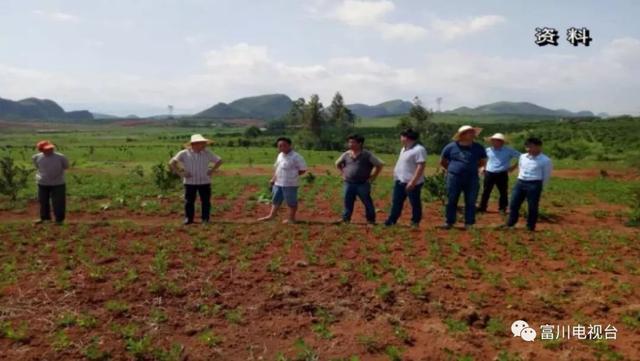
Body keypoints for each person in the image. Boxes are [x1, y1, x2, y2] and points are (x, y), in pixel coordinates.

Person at [440, 125, 487, 229]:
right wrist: (453, 169)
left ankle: (469, 223)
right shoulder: (450, 147)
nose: (472, 134)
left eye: (472, 132)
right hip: (454, 177)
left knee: (471, 201)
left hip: (472, 177)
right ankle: (449, 222)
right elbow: (443, 162)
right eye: (469, 132)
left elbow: (482, 162)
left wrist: (471, 168)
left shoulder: (478, 147)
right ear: (462, 135)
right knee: (451, 199)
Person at [169, 134, 223, 225]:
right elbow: (171, 163)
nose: (205, 145)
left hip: (205, 181)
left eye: (204, 143)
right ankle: (188, 219)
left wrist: (212, 170)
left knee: (205, 202)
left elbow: (220, 160)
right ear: (194, 144)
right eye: (202, 143)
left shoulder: (207, 153)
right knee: (189, 202)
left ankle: (205, 219)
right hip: (190, 182)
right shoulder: (184, 153)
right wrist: (180, 173)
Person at [503, 137, 552, 232]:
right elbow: (521, 168)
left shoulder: (545, 160)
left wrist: (540, 186)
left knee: (532, 206)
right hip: (520, 182)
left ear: (539, 147)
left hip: (534, 184)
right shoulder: (523, 157)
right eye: (527, 147)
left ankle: (530, 226)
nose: (528, 149)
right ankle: (511, 223)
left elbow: (546, 175)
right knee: (513, 204)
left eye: (531, 147)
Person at [335, 134, 384, 224]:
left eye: (353, 142)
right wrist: (342, 174)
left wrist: (373, 177)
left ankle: (371, 220)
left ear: (360, 143)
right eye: (349, 142)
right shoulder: (346, 154)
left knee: (367, 202)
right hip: (348, 183)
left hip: (363, 183)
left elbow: (379, 165)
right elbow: (337, 163)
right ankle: (346, 219)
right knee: (347, 202)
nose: (350, 144)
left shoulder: (367, 154)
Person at [258, 137, 307, 224]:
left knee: (291, 202)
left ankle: (292, 219)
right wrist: (273, 179)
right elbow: (277, 168)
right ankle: (271, 216)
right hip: (278, 183)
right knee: (276, 200)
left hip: (290, 184)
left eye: (284, 145)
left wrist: (292, 176)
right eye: (279, 146)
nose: (282, 147)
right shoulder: (280, 155)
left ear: (290, 145)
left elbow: (303, 169)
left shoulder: (296, 157)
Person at [384, 128, 427, 227]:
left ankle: (415, 221)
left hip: (412, 182)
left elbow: (420, 166)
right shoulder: (404, 148)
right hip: (400, 181)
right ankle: (392, 220)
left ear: (407, 138)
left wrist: (413, 181)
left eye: (402, 136)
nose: (401, 138)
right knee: (396, 202)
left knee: (414, 203)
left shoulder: (419, 149)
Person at [478, 133, 520, 213]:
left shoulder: (508, 150)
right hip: (489, 173)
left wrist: (514, 167)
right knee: (486, 191)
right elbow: (483, 160)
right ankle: (482, 207)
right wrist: (483, 167)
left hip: (502, 173)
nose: (494, 142)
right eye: (492, 140)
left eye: (496, 141)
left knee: (503, 192)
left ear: (502, 142)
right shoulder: (487, 150)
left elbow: (522, 157)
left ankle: (502, 208)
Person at [32, 140, 69, 225]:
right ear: (41, 150)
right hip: (42, 183)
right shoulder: (36, 157)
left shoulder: (61, 157)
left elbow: (66, 166)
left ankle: (59, 220)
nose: (50, 150)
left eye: (51, 148)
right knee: (43, 201)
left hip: (58, 183)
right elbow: (37, 167)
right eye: (47, 149)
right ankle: (45, 218)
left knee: (59, 202)